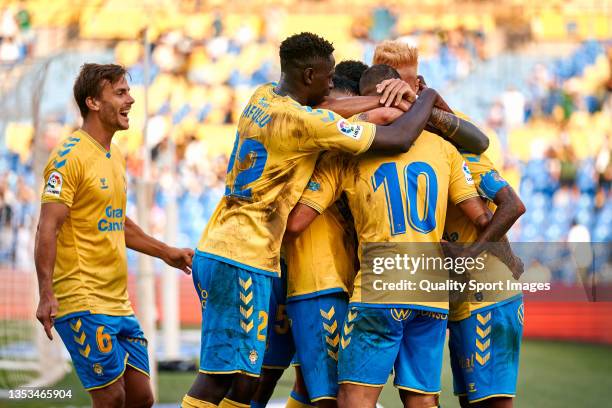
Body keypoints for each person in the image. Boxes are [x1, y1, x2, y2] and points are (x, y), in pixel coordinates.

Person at [181, 31, 471, 408]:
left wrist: (375, 102)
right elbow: (396, 136)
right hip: (248, 258)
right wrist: (424, 97)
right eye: (327, 77)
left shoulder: (263, 96)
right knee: (226, 381)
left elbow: (327, 112)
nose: (330, 82)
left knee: (249, 383)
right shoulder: (309, 126)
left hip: (233, 249)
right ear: (308, 76)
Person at [284, 65, 519, 408]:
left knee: (353, 397)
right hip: (430, 292)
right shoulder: (444, 149)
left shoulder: (350, 150)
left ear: (370, 100)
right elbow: (484, 218)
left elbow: (295, 224)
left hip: (380, 290)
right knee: (423, 400)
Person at [34, 63, 194, 408]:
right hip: (81, 298)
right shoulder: (68, 158)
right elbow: (48, 227)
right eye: (120, 93)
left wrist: (166, 252)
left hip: (117, 299)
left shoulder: (115, 155)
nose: (131, 100)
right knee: (110, 399)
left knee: (141, 397)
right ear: (93, 102)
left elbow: (116, 221)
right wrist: (46, 293)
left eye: (129, 92)